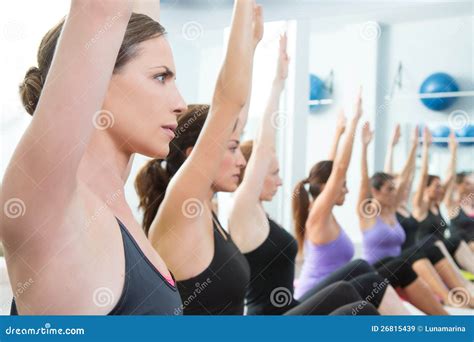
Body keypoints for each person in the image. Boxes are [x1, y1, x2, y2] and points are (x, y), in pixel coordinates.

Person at [2, 0, 190, 315]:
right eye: (160, 77)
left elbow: (134, 15)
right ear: (98, 75)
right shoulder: (52, 209)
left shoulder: (112, 201)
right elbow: (100, 9)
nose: (181, 103)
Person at [229, 36, 381, 315]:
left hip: (290, 308)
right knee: (358, 308)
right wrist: (276, 81)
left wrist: (338, 132)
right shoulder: (243, 208)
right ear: (254, 172)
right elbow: (263, 145)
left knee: (354, 285)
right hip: (270, 321)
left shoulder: (261, 214)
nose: (281, 180)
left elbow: (330, 168)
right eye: (273, 173)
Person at [136, 0, 261, 315]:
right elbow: (228, 102)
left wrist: (251, 45)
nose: (242, 160)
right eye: (231, 147)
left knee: (352, 286)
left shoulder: (204, 207)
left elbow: (236, 113)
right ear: (195, 154)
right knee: (354, 299)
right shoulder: (183, 205)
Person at [358, 123, 449, 314]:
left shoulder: (391, 208)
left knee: (426, 248)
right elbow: (363, 180)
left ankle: (449, 312)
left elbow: (407, 177)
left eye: (394, 189)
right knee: (411, 257)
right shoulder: (367, 213)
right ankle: (450, 304)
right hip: (375, 270)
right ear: (375, 191)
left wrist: (415, 146)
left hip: (398, 266)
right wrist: (365, 147)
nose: (395, 192)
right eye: (389, 189)